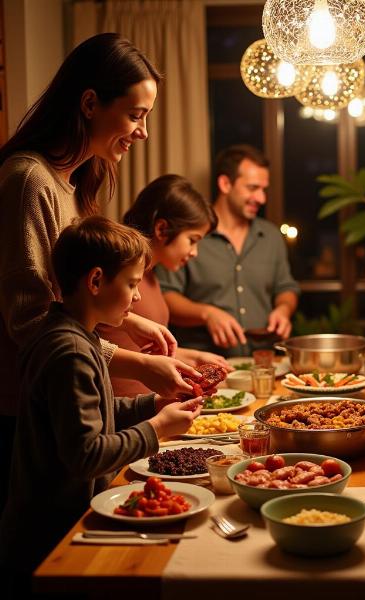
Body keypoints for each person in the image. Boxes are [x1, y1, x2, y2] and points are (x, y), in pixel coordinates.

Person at [0, 33, 200, 511]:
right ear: (90, 103)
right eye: (135, 115)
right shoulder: (29, 179)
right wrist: (140, 365)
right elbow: (33, 322)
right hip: (25, 413)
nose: (143, 132)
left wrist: (131, 320)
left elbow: (70, 293)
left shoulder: (72, 181)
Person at [0, 216, 203, 592]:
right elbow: (86, 453)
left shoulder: (76, 336)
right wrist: (159, 429)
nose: (138, 296)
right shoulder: (70, 352)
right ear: (95, 281)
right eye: (131, 284)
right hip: (50, 540)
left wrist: (155, 405)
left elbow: (100, 411)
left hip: (64, 522)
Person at [156, 144, 300, 357]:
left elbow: (286, 287)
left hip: (262, 362)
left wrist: (284, 309)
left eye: (264, 189)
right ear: (225, 184)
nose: (262, 198)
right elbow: (165, 296)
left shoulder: (270, 236)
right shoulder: (190, 234)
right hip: (202, 363)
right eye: (253, 188)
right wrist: (207, 314)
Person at [99, 174, 232, 396]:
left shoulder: (151, 276)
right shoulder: (119, 273)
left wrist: (193, 357)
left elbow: (144, 352)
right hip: (122, 413)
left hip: (148, 406)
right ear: (161, 229)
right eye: (192, 240)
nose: (194, 252)